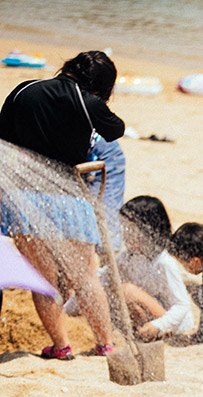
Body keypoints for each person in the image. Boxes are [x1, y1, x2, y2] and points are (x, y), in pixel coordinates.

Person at [0, 49, 123, 359]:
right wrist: (95, 104)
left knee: (43, 280)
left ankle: (61, 346)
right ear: (99, 86)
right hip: (71, 197)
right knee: (85, 277)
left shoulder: (25, 90)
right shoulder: (87, 101)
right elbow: (116, 129)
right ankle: (104, 344)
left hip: (25, 198)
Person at [101, 195, 194, 340]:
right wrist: (67, 309)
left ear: (148, 230)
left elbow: (182, 305)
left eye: (130, 228)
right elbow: (100, 278)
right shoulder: (128, 256)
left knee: (127, 291)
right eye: (123, 226)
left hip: (172, 326)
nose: (124, 233)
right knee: (107, 290)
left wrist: (159, 325)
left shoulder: (165, 262)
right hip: (151, 318)